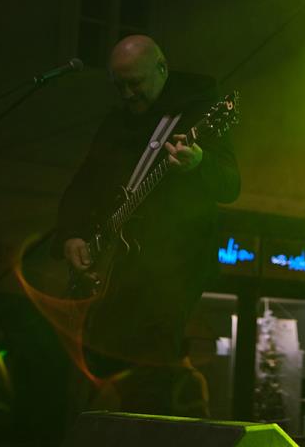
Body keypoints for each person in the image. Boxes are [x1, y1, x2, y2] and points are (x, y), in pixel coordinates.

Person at [52, 34, 240, 416]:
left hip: (169, 275)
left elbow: (230, 186)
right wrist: (71, 234)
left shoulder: (198, 112)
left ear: (162, 68)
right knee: (100, 368)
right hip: (114, 274)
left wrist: (199, 163)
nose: (127, 94)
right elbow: (82, 187)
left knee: (148, 375)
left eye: (135, 83)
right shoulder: (115, 124)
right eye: (119, 86)